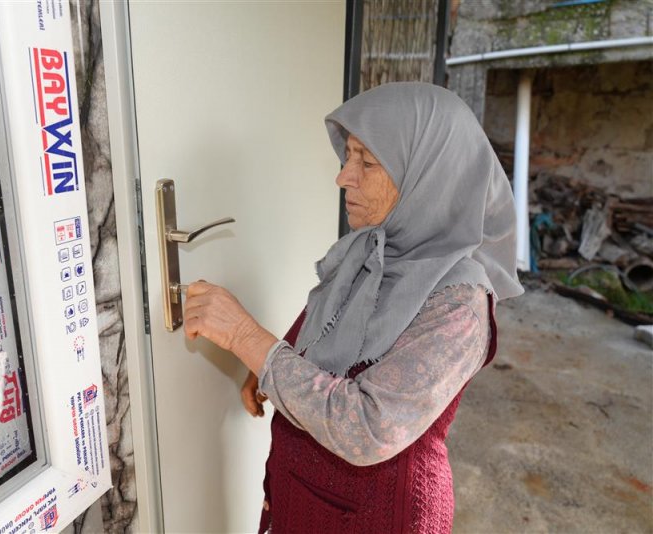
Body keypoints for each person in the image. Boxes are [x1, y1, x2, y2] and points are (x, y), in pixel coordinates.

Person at [183, 82, 524, 533]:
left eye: (367, 160)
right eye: (348, 157)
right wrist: (279, 359)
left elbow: (368, 427)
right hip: (305, 493)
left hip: (376, 516)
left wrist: (251, 342)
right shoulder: (375, 245)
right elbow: (335, 314)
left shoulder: (459, 304)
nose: (344, 176)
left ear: (426, 173)